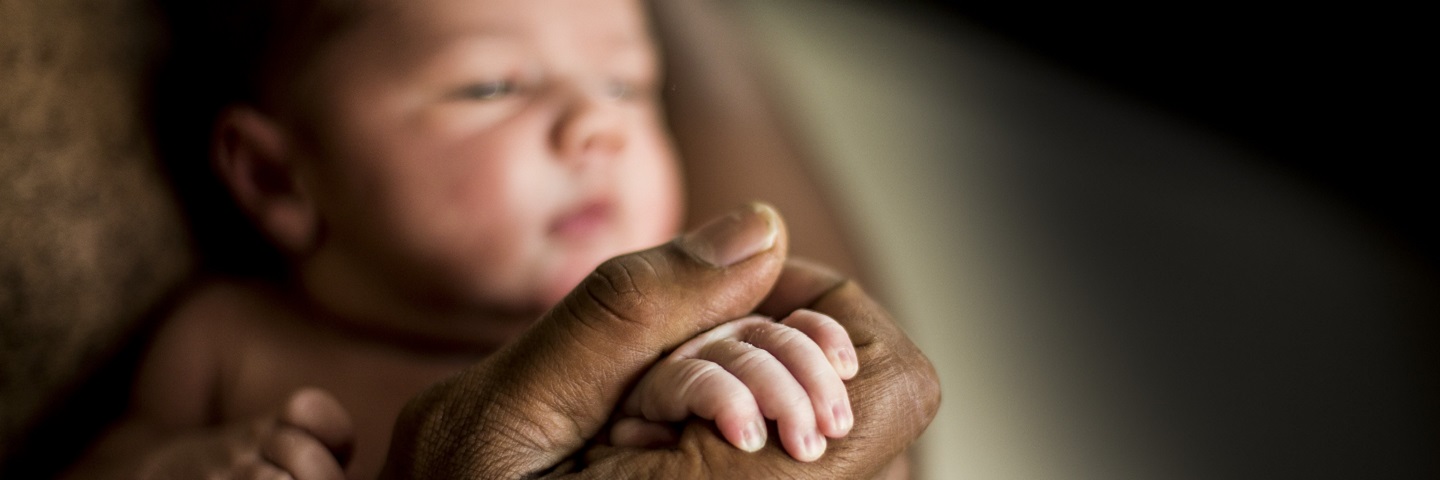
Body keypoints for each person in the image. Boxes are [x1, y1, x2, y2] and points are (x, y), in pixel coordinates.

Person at [59, 0, 941, 478]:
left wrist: (761, 383)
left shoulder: (679, 336)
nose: (598, 125)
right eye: (490, 88)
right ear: (276, 177)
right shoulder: (231, 340)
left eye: (629, 83)